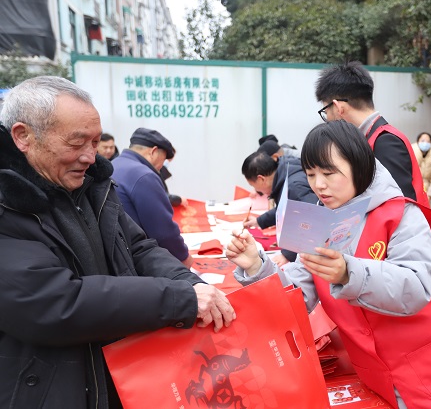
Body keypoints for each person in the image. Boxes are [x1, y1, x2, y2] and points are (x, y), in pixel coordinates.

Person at [227, 120, 431, 409]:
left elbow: (416, 286)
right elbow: (296, 296)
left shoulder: (401, 214)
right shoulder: (322, 225)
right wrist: (257, 267)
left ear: (358, 166)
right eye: (311, 174)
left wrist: (349, 273)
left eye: (328, 173)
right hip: (387, 379)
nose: (318, 185)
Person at [0, 76, 235, 408]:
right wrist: (176, 298)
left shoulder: (92, 187)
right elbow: (54, 302)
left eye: (96, 142)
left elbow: (138, 247)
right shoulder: (7, 206)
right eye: (76, 143)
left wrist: (190, 284)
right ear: (24, 136)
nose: (90, 156)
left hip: (117, 378)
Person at [315, 61, 428, 206]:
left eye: (326, 112)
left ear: (338, 107)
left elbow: (400, 205)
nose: (327, 120)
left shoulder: (385, 142)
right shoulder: (372, 138)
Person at [111, 127, 193, 267]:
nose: (161, 167)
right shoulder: (144, 175)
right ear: (153, 152)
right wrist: (183, 257)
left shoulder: (114, 164)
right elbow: (164, 232)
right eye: (163, 160)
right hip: (139, 260)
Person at [241, 150, 318, 266]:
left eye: (253, 185)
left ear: (261, 179)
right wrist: (258, 221)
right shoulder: (285, 172)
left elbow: (313, 220)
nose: (255, 190)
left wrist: (287, 255)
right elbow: (286, 209)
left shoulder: (294, 186)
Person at [411, 132, 431, 207]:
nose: (425, 143)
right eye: (423, 141)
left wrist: (430, 194)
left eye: (428, 141)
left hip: (426, 190)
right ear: (418, 141)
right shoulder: (411, 152)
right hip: (413, 189)